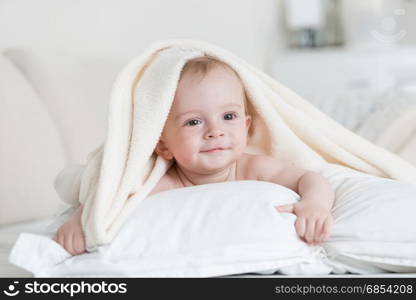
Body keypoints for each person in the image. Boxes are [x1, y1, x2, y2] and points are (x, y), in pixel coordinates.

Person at [53, 56, 335, 256]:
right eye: (193, 122)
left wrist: (314, 204)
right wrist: (80, 221)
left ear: (246, 127)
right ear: (163, 146)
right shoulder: (164, 182)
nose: (215, 131)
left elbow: (309, 178)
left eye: (228, 116)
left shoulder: (253, 168)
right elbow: (112, 198)